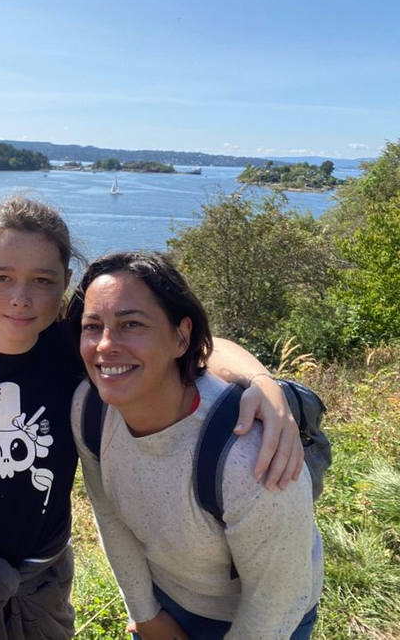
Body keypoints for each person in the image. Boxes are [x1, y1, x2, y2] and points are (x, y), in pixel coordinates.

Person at [0, 196, 305, 640]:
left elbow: (196, 347)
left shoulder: (72, 347)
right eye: (1, 277)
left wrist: (263, 384)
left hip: (41, 578)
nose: (21, 298)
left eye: (42, 280)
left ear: (64, 284)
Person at [70, 252, 322, 640]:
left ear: (181, 336)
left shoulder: (248, 453)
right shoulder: (90, 411)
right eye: (93, 326)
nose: (106, 345)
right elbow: (109, 514)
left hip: (263, 620)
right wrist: (146, 614)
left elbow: (276, 601)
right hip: (166, 599)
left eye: (131, 324)